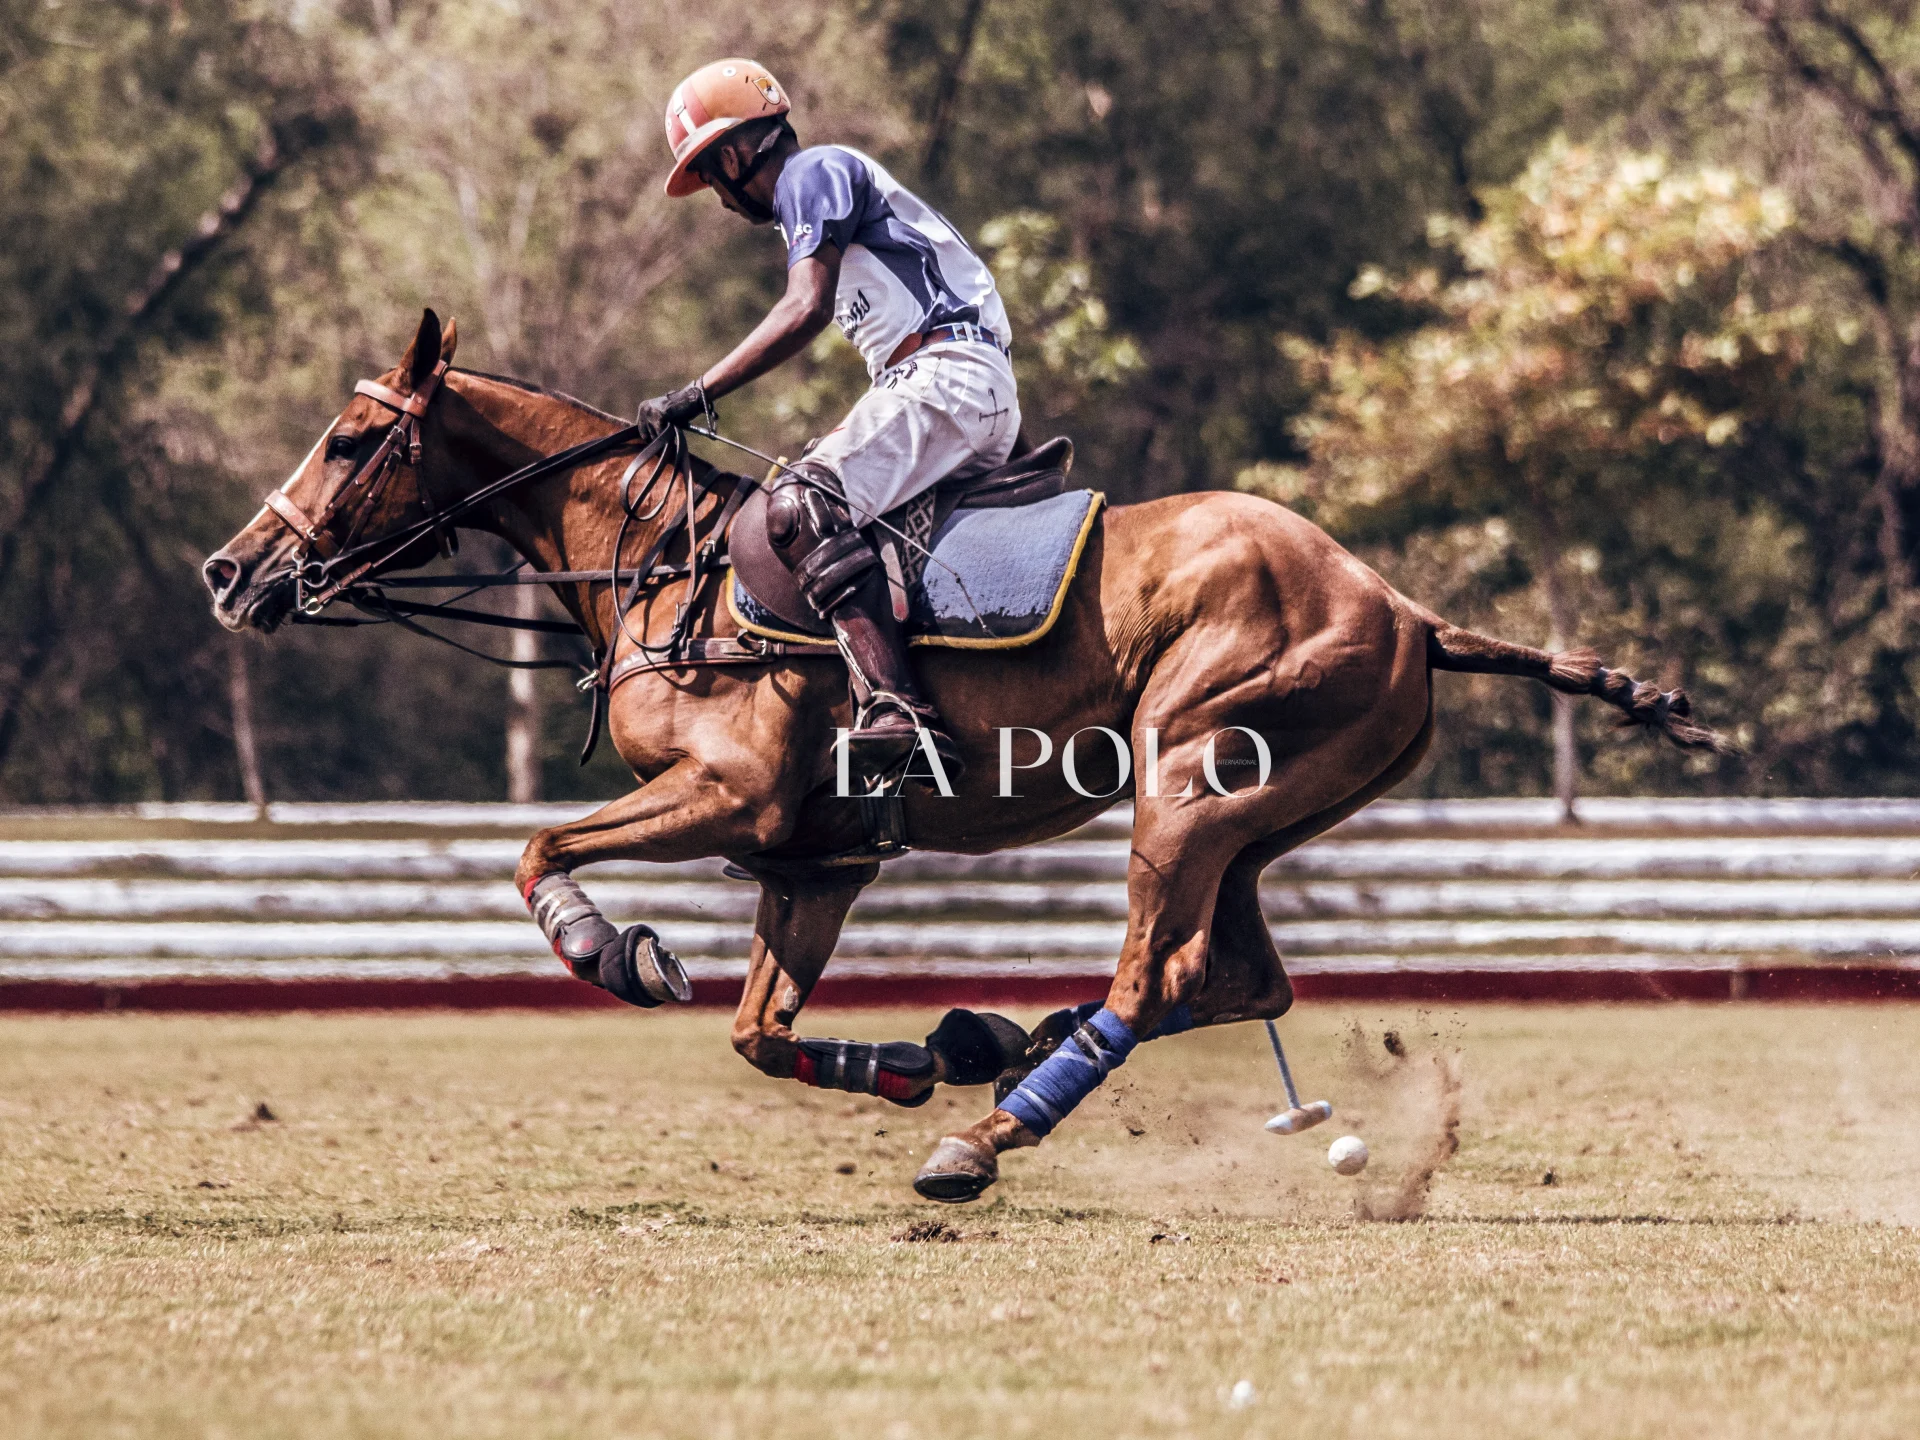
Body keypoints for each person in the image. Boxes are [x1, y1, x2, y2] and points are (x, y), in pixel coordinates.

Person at [634, 58, 1023, 777]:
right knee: (820, 503)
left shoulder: (812, 172)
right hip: (957, 383)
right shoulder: (817, 192)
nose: (718, 198)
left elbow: (803, 307)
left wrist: (698, 391)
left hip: (947, 378)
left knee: (801, 504)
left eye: (710, 174)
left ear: (738, 150)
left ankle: (897, 707)